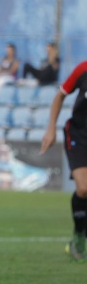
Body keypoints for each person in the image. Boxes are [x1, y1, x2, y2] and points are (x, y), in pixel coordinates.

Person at [40, 61, 87, 262]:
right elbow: (60, 96)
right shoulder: (83, 69)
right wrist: (51, 129)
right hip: (78, 135)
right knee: (84, 188)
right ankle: (78, 235)